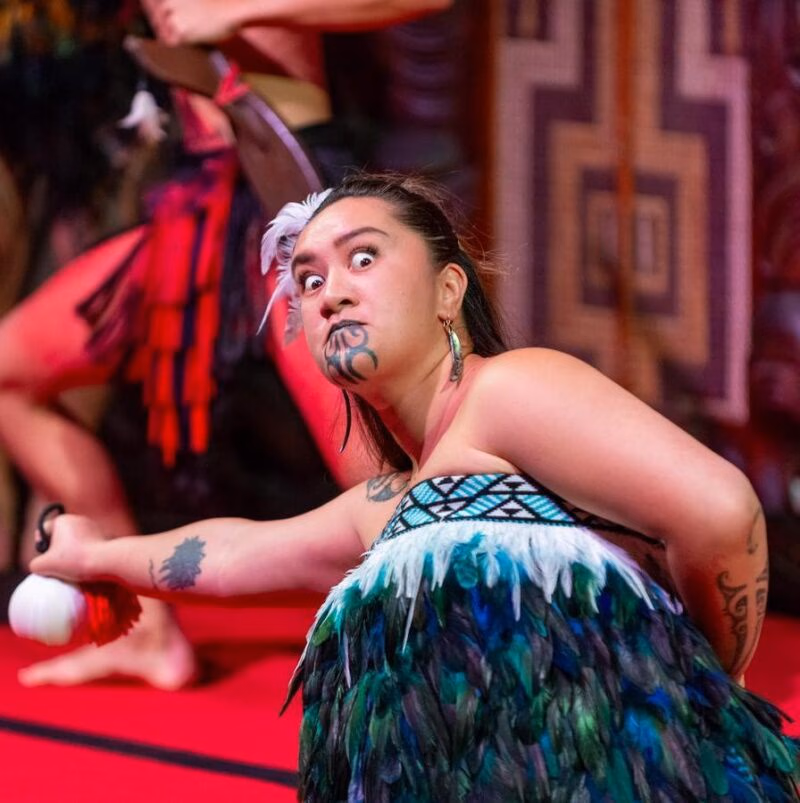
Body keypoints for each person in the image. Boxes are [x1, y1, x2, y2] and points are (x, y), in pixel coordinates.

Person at [29, 174, 799, 800]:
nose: (328, 290)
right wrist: (95, 550)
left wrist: (703, 696)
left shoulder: (509, 393)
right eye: (308, 276)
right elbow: (231, 554)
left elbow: (719, 511)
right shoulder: (392, 505)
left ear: (447, 290)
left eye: (363, 258)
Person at [0, 0, 453, 689]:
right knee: (11, 370)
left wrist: (238, 8)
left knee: (375, 462)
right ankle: (146, 627)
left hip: (287, 196)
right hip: (195, 199)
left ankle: (468, 645)